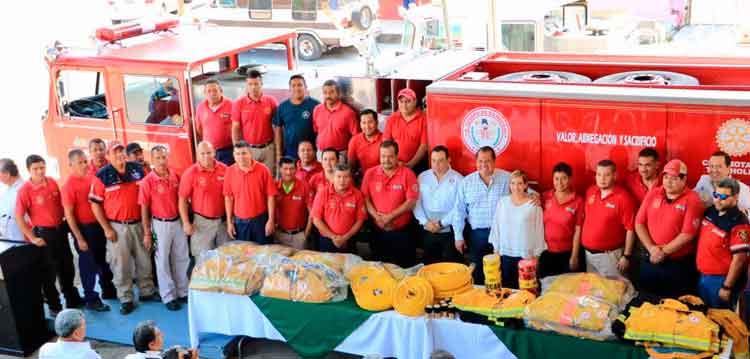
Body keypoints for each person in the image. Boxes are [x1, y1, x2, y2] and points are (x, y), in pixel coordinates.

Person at [89, 142, 158, 315]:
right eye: (115, 152)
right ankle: (126, 298)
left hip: (139, 223)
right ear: (109, 156)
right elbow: (95, 205)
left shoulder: (137, 169)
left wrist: (147, 225)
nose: (119, 155)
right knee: (121, 264)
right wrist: (106, 228)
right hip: (117, 227)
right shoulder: (102, 175)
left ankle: (147, 291)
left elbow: (148, 195)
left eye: (121, 151)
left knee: (144, 260)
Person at [15, 155, 83, 313]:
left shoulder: (51, 181)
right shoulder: (25, 190)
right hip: (44, 235)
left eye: (42, 167)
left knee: (67, 265)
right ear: (29, 170)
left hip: (60, 230)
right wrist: (32, 238)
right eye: (35, 169)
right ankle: (54, 305)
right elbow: (19, 216)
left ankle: (71, 298)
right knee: (49, 272)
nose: (40, 171)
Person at [635, 159, 703, 298]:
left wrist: (663, 252)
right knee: (646, 301)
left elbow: (687, 234)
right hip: (650, 258)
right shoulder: (654, 193)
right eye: (666, 177)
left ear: (684, 179)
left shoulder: (692, 199)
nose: (668, 182)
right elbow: (639, 223)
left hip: (677, 265)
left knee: (674, 305)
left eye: (673, 178)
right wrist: (652, 249)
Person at [62, 149, 115, 312]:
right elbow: (69, 215)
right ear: (71, 165)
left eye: (85, 161)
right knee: (88, 266)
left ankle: (108, 290)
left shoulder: (92, 178)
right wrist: (79, 238)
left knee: (102, 261)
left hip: (98, 226)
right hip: (84, 230)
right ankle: (91, 298)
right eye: (80, 162)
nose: (85, 165)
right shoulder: (68, 186)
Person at [452, 147, 512, 284]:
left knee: (503, 272)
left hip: (502, 234)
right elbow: (459, 211)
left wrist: (533, 196)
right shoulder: (466, 183)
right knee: (479, 273)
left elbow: (526, 192)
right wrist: (458, 237)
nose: (484, 165)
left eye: (488, 161)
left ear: (495, 161)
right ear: (475, 162)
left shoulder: (507, 178)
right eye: (480, 161)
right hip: (477, 236)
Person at [139, 146, 189, 311]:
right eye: (158, 158)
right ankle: (168, 296)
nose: (162, 161)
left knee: (181, 257)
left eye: (164, 157)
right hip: (159, 224)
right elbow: (144, 208)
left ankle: (182, 291)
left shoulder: (175, 175)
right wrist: (147, 233)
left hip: (177, 222)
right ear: (152, 160)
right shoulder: (147, 181)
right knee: (162, 261)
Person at [362, 140, 419, 267]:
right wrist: (378, 218)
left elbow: (411, 202)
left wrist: (389, 217)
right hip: (378, 231)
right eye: (383, 156)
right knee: (380, 270)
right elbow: (365, 199)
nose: (386, 160)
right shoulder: (370, 173)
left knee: (404, 269)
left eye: (390, 156)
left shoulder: (407, 174)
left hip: (402, 233)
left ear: (397, 156)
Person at [696, 178, 750, 309]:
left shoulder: (740, 223)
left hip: (721, 281)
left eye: (723, 196)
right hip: (702, 276)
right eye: (716, 195)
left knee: (721, 321)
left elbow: (739, 260)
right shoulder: (710, 211)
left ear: (735, 197)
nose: (718, 200)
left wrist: (727, 287)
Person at [488, 170, 546, 289]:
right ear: (509, 185)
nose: (516, 187)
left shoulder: (533, 205)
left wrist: (537, 255)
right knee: (508, 289)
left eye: (519, 183)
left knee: (526, 291)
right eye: (513, 183)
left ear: (526, 185)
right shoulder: (502, 203)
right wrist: (496, 249)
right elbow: (496, 226)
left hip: (526, 255)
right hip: (506, 254)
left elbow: (539, 231)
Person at [581, 160, 636, 278]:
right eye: (599, 174)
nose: (602, 179)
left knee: (615, 292)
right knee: (594, 292)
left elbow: (630, 229)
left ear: (615, 175)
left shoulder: (624, 198)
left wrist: (626, 256)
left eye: (607, 175)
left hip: (610, 257)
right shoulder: (590, 192)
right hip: (589, 256)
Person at [178, 141, 229, 258]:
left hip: (223, 223)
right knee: (202, 261)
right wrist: (186, 223)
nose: (206, 156)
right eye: (202, 154)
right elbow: (182, 200)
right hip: (202, 224)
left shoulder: (225, 169)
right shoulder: (190, 173)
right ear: (197, 155)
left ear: (214, 153)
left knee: (225, 259)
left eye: (209, 153)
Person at [414, 146, 463, 264]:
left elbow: (459, 208)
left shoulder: (458, 179)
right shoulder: (422, 177)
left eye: (440, 160)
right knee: (429, 265)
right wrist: (425, 222)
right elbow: (416, 203)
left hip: (449, 231)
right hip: (427, 229)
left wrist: (441, 223)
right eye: (433, 160)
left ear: (449, 160)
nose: (436, 164)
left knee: (450, 266)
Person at [224, 141, 277, 244]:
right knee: (245, 255)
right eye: (237, 154)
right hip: (240, 223)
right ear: (234, 156)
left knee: (264, 254)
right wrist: (229, 222)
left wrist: (271, 220)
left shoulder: (263, 170)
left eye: (244, 153)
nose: (241, 157)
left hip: (260, 221)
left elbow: (271, 196)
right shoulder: (229, 172)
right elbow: (228, 198)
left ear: (250, 153)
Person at [538, 162, 584, 278]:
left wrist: (574, 255)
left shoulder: (578, 201)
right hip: (546, 252)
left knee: (566, 290)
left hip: (567, 253)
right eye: (556, 178)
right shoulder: (545, 196)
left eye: (564, 178)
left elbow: (578, 230)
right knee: (547, 289)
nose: (559, 183)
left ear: (570, 179)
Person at [312, 163, 367, 252]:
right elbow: (316, 219)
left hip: (349, 241)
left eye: (346, 177)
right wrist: (333, 237)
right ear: (333, 177)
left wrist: (345, 237)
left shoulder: (357, 195)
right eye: (339, 176)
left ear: (350, 178)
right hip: (327, 240)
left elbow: (360, 220)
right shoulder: (322, 193)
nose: (342, 180)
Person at [232, 70, 278, 173]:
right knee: (250, 176)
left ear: (261, 84)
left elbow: (277, 127)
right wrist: (237, 150)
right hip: (249, 149)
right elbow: (235, 128)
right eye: (250, 84)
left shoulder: (271, 101)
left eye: (256, 84)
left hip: (268, 149)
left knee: (269, 177)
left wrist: (277, 148)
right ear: (247, 85)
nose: (253, 87)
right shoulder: (239, 104)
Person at [273, 74, 320, 161]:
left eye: (300, 85)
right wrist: (279, 153)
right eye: (293, 85)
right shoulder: (283, 107)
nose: (297, 88)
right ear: (289, 89)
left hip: (309, 152)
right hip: (290, 153)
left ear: (305, 87)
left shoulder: (315, 105)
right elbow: (278, 129)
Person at [312, 79, 358, 162]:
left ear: (338, 93)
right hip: (322, 154)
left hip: (340, 154)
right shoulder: (317, 110)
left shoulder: (348, 112)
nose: (328, 95)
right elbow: (316, 130)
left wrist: (350, 155)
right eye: (325, 93)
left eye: (331, 92)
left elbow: (355, 136)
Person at [383, 88, 428, 172]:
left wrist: (411, 164)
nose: (404, 105)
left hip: (418, 165)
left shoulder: (423, 119)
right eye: (401, 101)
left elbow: (424, 146)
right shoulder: (392, 118)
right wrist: (395, 162)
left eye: (407, 101)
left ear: (415, 102)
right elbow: (386, 142)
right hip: (395, 164)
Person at [275, 156, 313, 249]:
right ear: (280, 169)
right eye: (285, 169)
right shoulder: (274, 186)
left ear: (296, 169)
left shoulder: (304, 186)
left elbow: (312, 212)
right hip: (278, 234)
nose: (288, 172)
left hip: (299, 236)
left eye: (291, 169)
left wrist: (306, 234)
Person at [195, 79, 234, 166]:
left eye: (215, 90)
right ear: (204, 93)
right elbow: (199, 129)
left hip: (227, 151)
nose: (212, 93)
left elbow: (237, 127)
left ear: (221, 91)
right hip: (208, 153)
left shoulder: (231, 105)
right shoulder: (200, 108)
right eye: (209, 91)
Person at [347, 109, 383, 178]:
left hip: (381, 178)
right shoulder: (355, 140)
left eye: (370, 122)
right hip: (363, 178)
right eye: (364, 123)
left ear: (377, 122)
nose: (367, 126)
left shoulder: (385, 139)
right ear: (360, 124)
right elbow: (351, 166)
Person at [0, 159, 24, 243]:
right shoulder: (7, 191)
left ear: (7, 174)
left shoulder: (22, 189)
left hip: (21, 241)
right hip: (10, 240)